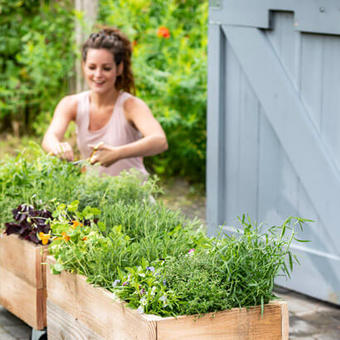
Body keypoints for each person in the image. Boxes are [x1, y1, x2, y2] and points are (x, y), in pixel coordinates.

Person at [42, 27, 168, 177]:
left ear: (119, 68)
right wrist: (57, 147)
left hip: (133, 197)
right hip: (95, 197)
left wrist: (117, 153)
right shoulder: (71, 104)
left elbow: (160, 141)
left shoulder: (131, 106)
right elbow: (49, 138)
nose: (98, 75)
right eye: (92, 67)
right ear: (83, 67)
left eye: (106, 68)